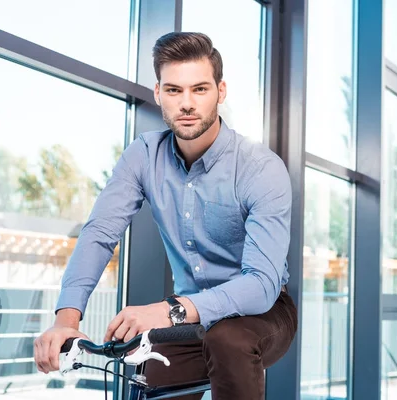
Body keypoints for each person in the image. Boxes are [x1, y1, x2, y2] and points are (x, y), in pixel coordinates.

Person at [33, 31, 297, 399]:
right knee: (148, 375)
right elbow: (99, 234)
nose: (186, 103)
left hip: (263, 311)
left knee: (228, 340)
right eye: (174, 90)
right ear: (158, 94)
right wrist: (66, 320)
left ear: (221, 92)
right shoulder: (143, 156)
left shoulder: (260, 168)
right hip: (189, 315)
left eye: (199, 89)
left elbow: (260, 284)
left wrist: (172, 311)